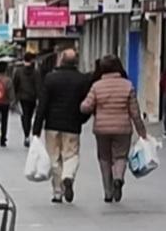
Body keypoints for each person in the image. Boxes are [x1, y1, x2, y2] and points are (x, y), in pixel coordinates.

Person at [81, 55, 147, 203]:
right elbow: (135, 113)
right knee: (120, 156)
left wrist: (84, 108)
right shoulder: (128, 85)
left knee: (104, 158)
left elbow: (86, 106)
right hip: (123, 128)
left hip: (102, 129)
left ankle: (108, 192)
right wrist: (142, 132)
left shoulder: (97, 86)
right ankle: (118, 178)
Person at [32, 48, 90, 204]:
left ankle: (57, 192)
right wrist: (82, 119)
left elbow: (42, 104)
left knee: (54, 157)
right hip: (72, 124)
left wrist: (36, 128)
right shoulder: (82, 79)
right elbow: (86, 103)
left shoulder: (51, 78)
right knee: (71, 155)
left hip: (52, 124)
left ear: (61, 60)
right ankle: (68, 177)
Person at [13, 53, 42, 147]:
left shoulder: (18, 71)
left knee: (25, 116)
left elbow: (15, 84)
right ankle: (29, 131)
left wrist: (15, 97)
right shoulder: (36, 72)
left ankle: (26, 135)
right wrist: (39, 97)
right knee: (29, 115)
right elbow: (38, 85)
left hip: (22, 97)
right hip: (32, 97)